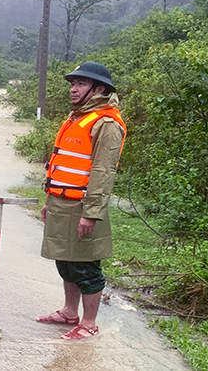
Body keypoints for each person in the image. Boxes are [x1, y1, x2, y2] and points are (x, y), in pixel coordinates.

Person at [35, 61, 126, 340]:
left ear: (99, 89)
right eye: (73, 84)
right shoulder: (75, 118)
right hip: (62, 203)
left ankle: (88, 323)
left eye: (81, 84)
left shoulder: (106, 124)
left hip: (83, 206)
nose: (74, 89)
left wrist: (92, 213)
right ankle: (69, 312)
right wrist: (49, 200)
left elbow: (102, 172)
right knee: (65, 260)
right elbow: (62, 166)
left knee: (85, 266)